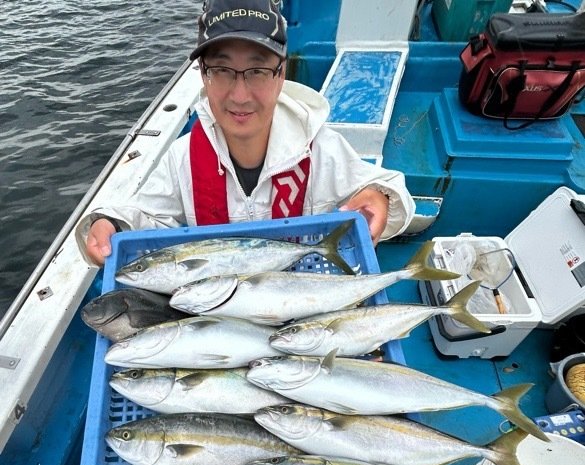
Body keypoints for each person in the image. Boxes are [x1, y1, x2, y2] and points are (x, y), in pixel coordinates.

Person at [78, 0, 415, 266]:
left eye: (257, 70)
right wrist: (110, 225)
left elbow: (393, 192)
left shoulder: (320, 149)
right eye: (222, 70)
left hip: (300, 299)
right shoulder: (183, 159)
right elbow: (145, 218)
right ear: (203, 74)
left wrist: (379, 197)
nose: (239, 96)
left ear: (281, 74)